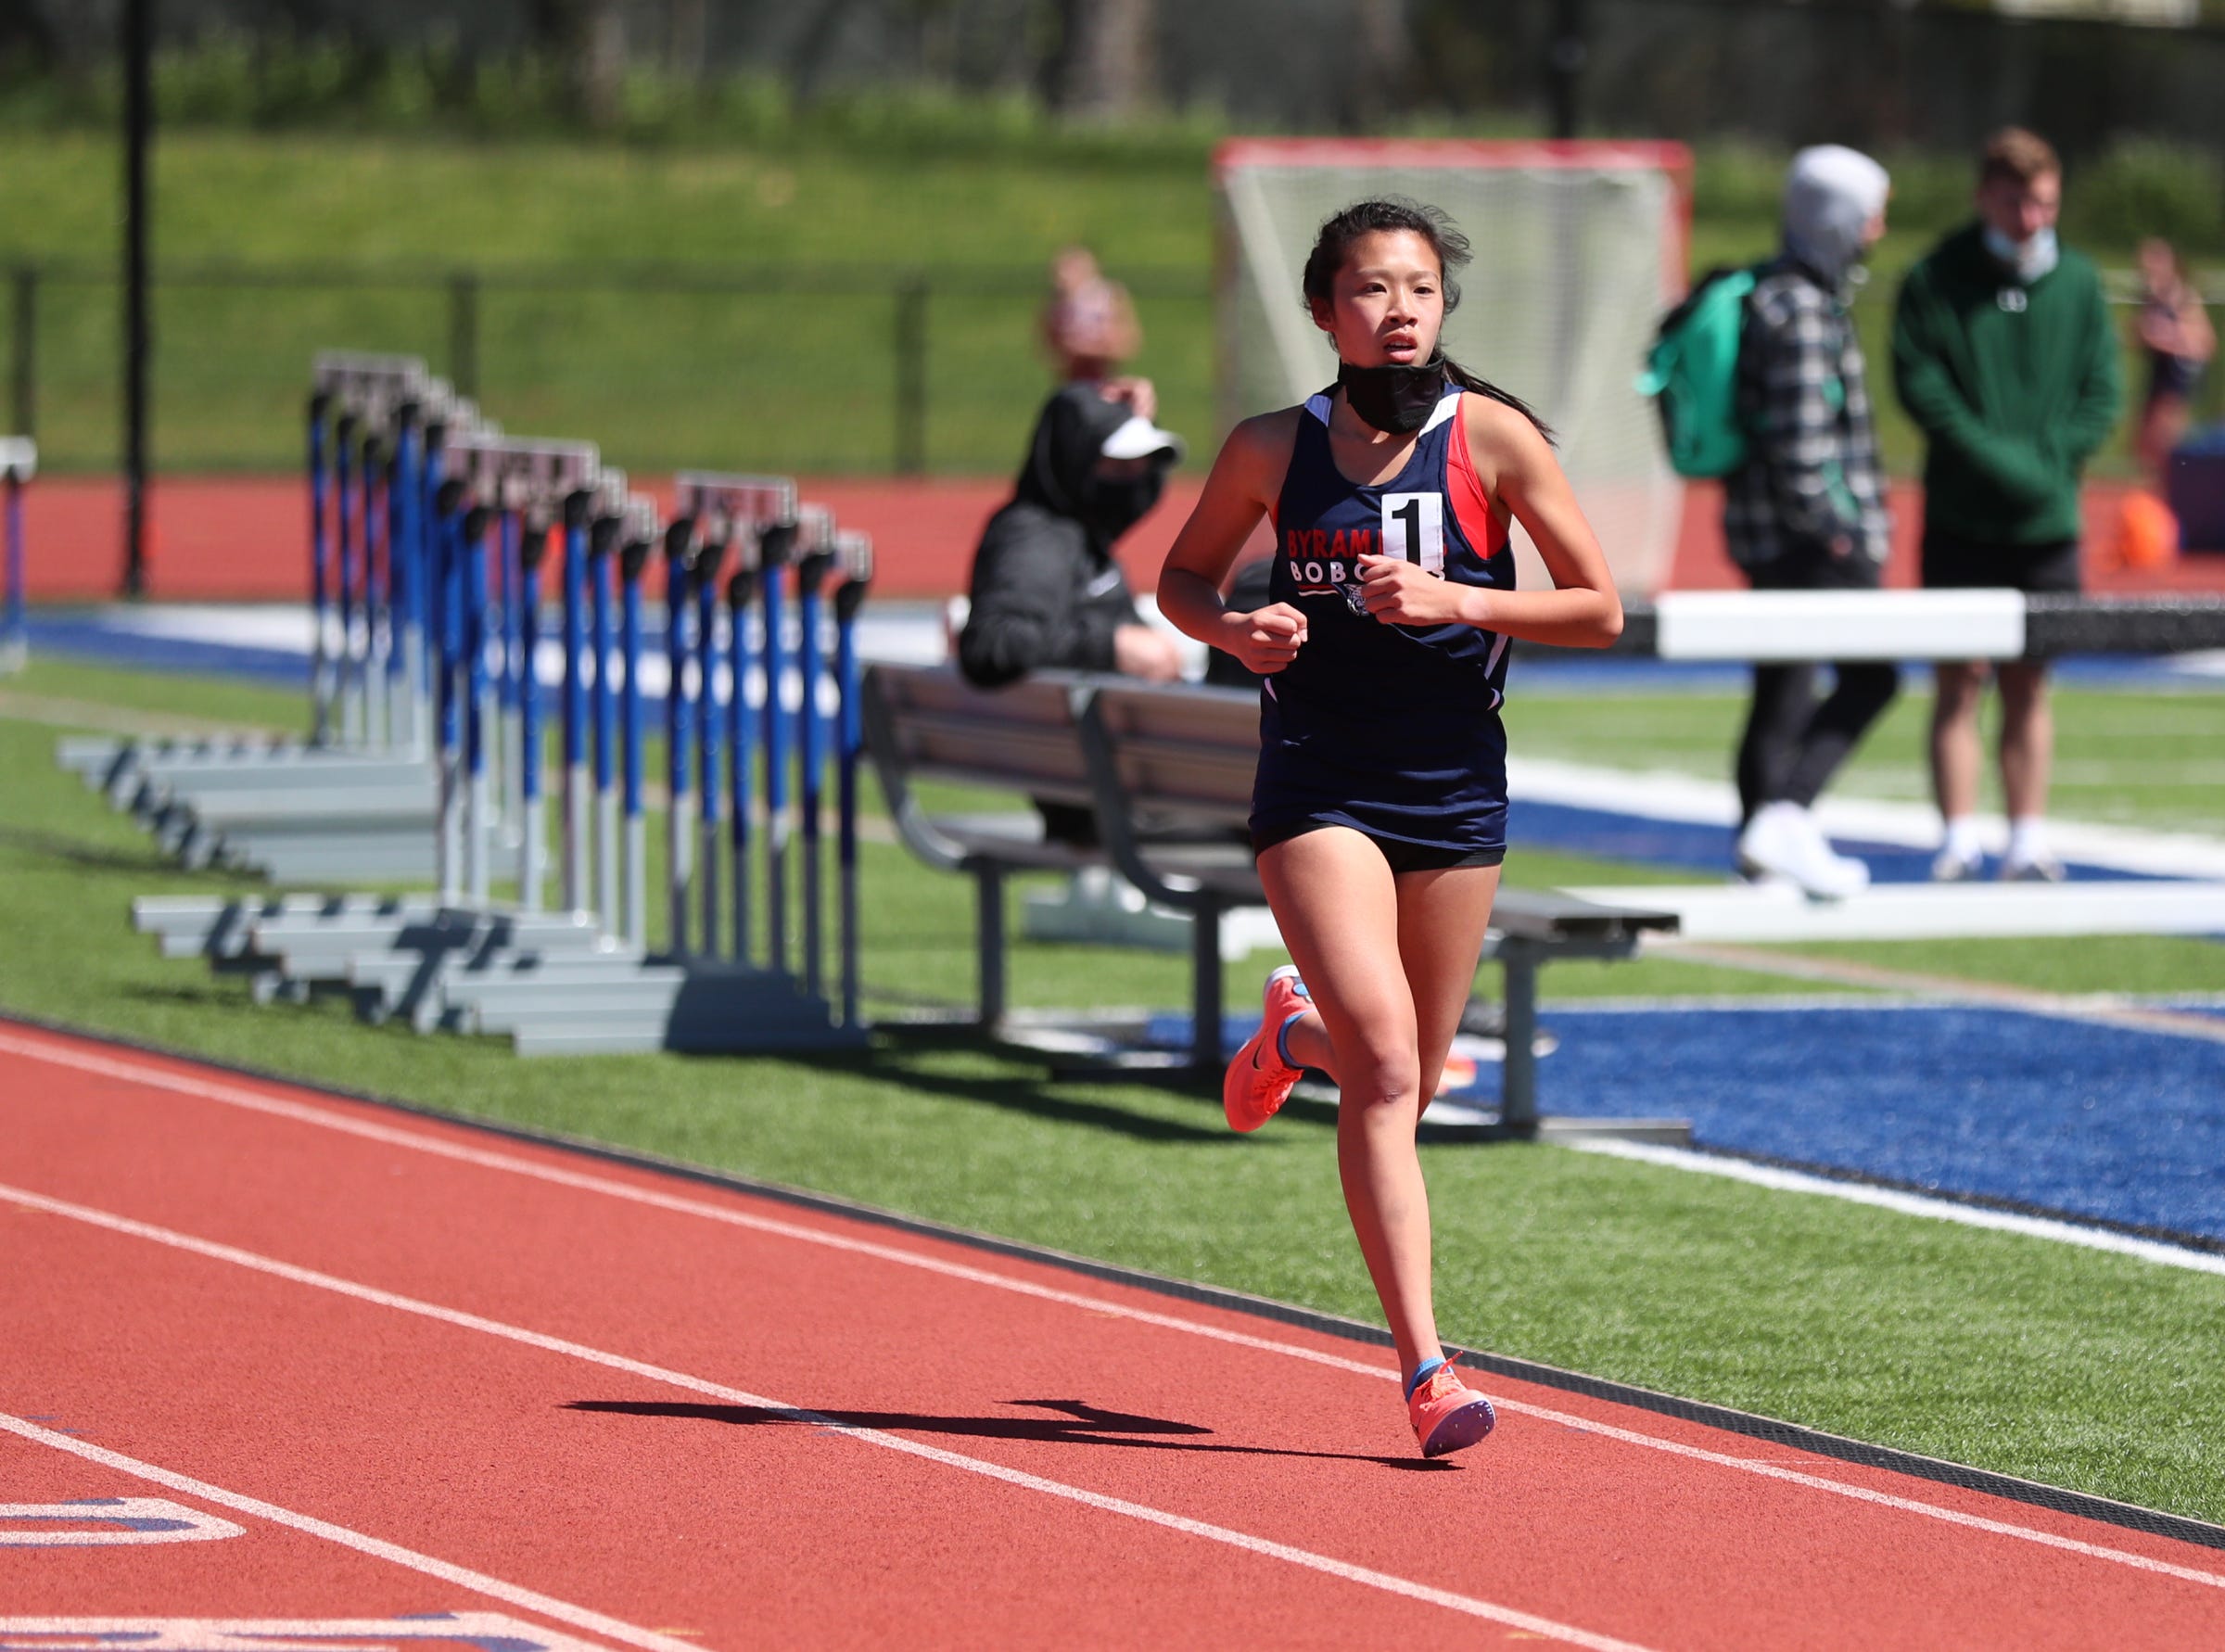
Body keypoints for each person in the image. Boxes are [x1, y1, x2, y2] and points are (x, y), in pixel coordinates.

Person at [1154, 199, 1623, 1458]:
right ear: (1324, 310)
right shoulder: (1271, 448)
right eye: (1371, 288)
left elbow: (1599, 608)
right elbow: (1181, 578)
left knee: (1390, 1071)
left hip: (1455, 785)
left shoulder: (1498, 441)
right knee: (1397, 1063)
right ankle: (1425, 1368)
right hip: (1319, 779)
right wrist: (1235, 629)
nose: (1400, 308)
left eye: (1419, 288)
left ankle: (1290, 1031)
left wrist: (1453, 598)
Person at [1891, 128, 2120, 883]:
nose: (2031, 217)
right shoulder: (1934, 278)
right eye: (2018, 200)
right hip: (1963, 518)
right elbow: (1923, 388)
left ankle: (2028, 837)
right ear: (1985, 195)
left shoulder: (2081, 282)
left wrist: (2047, 466)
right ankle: (1958, 836)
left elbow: (2102, 391)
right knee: (1959, 680)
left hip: (2047, 524)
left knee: (2031, 682)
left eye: (2045, 202)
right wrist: (1999, 461)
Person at [1724, 146, 1898, 901]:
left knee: (1782, 689)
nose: (1878, 231)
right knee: (1870, 676)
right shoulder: (1800, 308)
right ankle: (1781, 817)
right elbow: (1802, 447)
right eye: (1870, 215)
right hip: (1806, 541)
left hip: (1775, 534)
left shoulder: (1782, 293)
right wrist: (1840, 530)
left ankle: (1767, 843)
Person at [2133, 237, 2215, 494]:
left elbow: (2203, 343)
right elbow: (2142, 336)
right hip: (2160, 370)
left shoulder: (2180, 296)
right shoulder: (2151, 296)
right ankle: (2159, 492)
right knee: (2144, 441)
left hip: (2179, 373)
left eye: (2154, 259)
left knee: (2166, 439)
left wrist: (2162, 338)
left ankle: (2179, 493)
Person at [1042, 246, 1143, 386]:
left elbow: (1127, 344)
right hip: (1071, 384)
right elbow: (1048, 348)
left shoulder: (1109, 297)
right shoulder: (1057, 304)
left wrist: (1087, 349)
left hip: (1104, 382)